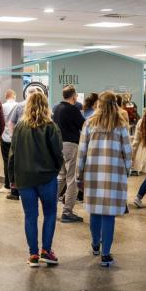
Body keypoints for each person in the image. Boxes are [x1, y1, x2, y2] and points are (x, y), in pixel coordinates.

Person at [76, 91, 132, 267]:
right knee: (109, 215)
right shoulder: (121, 125)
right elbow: (127, 152)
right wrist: (127, 170)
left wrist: (79, 174)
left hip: (93, 174)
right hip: (114, 174)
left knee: (95, 212)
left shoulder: (89, 123)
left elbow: (82, 151)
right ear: (115, 104)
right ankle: (106, 255)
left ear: (99, 104)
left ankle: (95, 245)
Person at [8, 92, 63, 267]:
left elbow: (13, 154)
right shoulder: (51, 126)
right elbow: (57, 153)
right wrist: (56, 169)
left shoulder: (20, 127)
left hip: (25, 179)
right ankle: (46, 251)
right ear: (46, 106)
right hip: (47, 177)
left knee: (30, 216)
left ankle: (33, 255)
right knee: (50, 213)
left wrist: (12, 178)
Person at [52, 85, 85, 223]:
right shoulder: (73, 109)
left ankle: (50, 205)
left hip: (59, 145)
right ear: (73, 96)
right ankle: (67, 212)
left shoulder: (56, 108)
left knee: (61, 177)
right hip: (71, 145)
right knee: (72, 179)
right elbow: (84, 126)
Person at [7, 86, 42, 200]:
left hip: (20, 141)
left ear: (26, 94)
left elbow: (11, 123)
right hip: (34, 142)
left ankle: (19, 190)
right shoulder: (40, 107)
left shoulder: (19, 106)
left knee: (19, 165)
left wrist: (13, 137)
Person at [1, 89, 18, 194]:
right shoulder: (18, 106)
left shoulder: (2, 106)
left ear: (6, 96)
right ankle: (16, 185)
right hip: (16, 138)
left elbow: (0, 121)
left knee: (6, 161)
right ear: (14, 96)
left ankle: (7, 184)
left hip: (5, 137)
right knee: (16, 162)